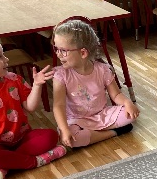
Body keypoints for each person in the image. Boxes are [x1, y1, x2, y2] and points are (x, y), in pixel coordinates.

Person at [52, 19, 139, 148]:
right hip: (77, 120)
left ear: (83, 53)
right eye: (56, 49)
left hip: (102, 114)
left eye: (63, 50)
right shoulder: (60, 75)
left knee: (130, 115)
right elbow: (58, 106)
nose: (58, 54)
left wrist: (127, 103)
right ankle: (113, 132)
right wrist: (64, 130)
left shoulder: (103, 70)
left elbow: (116, 95)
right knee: (71, 139)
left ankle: (92, 134)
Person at [0, 37, 66, 179]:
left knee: (51, 136)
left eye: (3, 54)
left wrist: (37, 85)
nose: (6, 59)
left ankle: (8, 164)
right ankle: (36, 161)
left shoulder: (14, 79)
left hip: (23, 138)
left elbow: (30, 107)